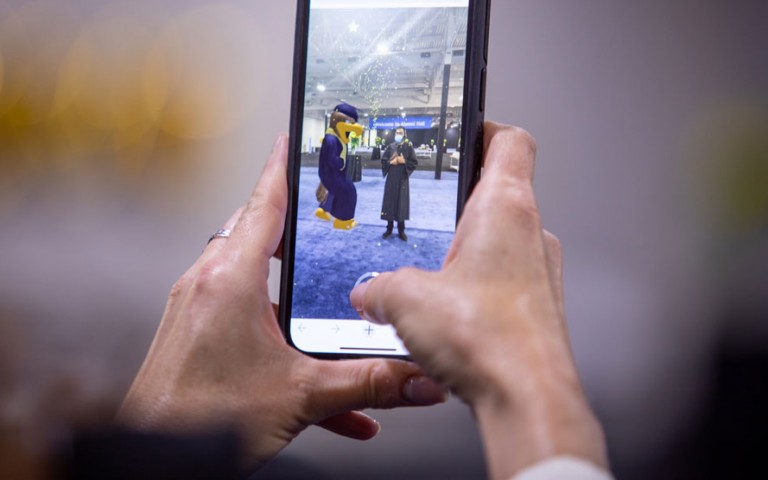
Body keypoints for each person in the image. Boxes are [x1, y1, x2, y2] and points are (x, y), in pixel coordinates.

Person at [112, 122, 611, 480]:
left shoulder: (399, 149)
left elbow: (400, 161)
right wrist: (535, 389)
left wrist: (148, 448)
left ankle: (391, 227)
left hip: (401, 186)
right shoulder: (347, 142)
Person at [315, 102, 363, 230]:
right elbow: (331, 159)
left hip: (332, 173)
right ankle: (343, 220)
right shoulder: (331, 139)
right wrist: (340, 163)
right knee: (348, 192)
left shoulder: (337, 137)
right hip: (332, 172)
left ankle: (323, 211)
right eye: (349, 123)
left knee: (336, 190)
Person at [380, 126, 418, 241]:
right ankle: (389, 228)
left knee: (401, 204)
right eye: (396, 132)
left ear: (404, 134)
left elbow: (414, 162)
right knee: (390, 203)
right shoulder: (391, 147)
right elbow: (383, 161)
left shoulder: (409, 147)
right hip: (391, 179)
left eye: (400, 133)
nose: (398, 134)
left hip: (402, 180)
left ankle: (401, 230)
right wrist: (392, 162)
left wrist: (404, 161)